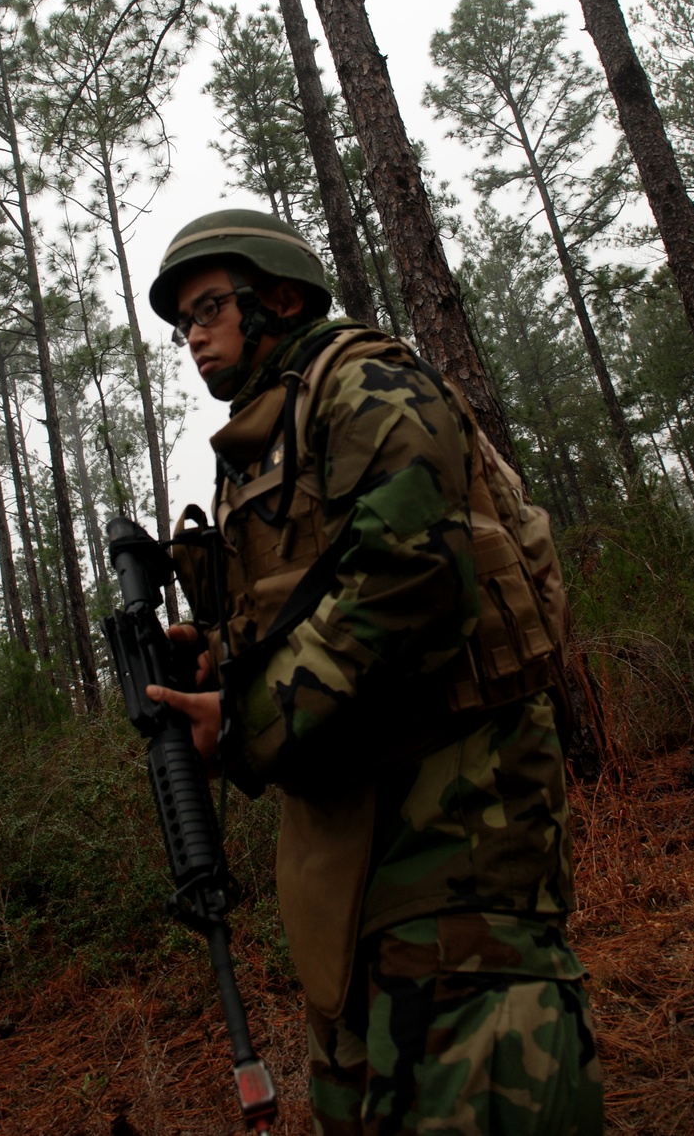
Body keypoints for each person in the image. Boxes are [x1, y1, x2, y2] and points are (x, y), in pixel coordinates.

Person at [145, 208, 603, 1136]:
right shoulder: (262, 440)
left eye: (206, 309)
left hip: (457, 812)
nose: (191, 335)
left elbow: (411, 582)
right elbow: (309, 603)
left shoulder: (365, 381)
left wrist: (243, 727)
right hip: (348, 836)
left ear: (279, 298)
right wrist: (217, 662)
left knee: (480, 1095)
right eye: (181, 322)